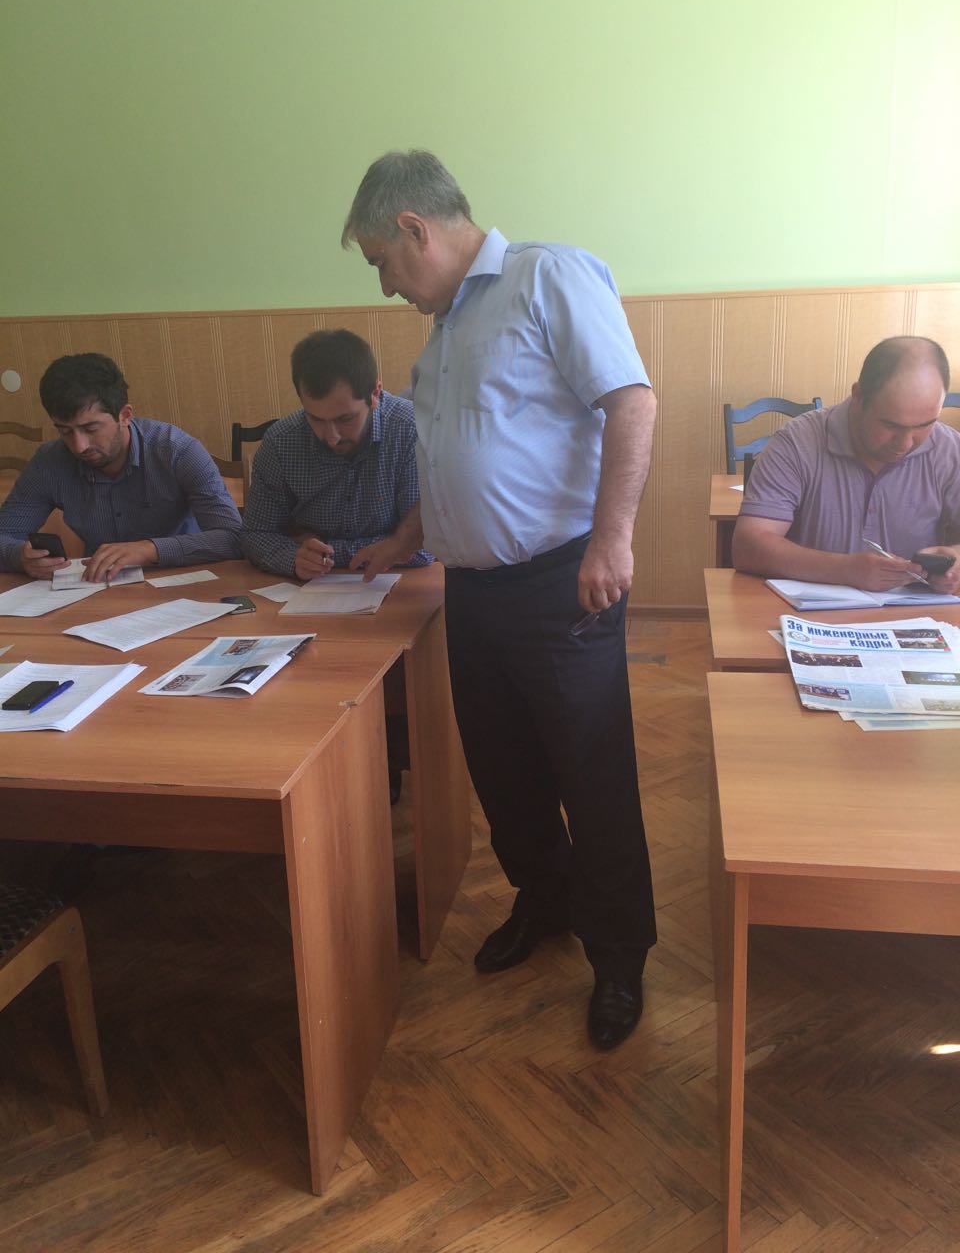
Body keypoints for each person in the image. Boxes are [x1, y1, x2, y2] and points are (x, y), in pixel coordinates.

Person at [341, 149, 658, 1050]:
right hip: (471, 593)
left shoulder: (546, 277)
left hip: (561, 583)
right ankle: (544, 901)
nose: (386, 284)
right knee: (504, 770)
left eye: (382, 262)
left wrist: (612, 539)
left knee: (591, 774)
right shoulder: (444, 330)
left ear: (415, 229)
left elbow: (632, 404)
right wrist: (408, 534)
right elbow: (449, 458)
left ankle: (619, 953)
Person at [733, 337, 960, 594]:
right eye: (890, 425)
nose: (906, 443)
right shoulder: (798, 442)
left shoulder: (950, 450)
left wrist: (955, 560)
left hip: (918, 614)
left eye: (924, 425)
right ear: (858, 396)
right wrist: (844, 569)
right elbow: (747, 547)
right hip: (809, 613)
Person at [0, 352, 242, 580]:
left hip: (181, 580)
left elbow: (233, 538)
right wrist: (20, 557)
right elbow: (4, 535)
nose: (79, 446)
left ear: (125, 415)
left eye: (91, 429)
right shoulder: (49, 462)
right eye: (65, 431)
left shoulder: (177, 450)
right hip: (98, 586)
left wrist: (150, 550)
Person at [240, 328, 431, 579]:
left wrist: (325, 550)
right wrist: (294, 559)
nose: (332, 437)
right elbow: (255, 535)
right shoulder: (280, 442)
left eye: (345, 419)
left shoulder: (410, 430)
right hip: (303, 589)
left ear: (375, 393)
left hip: (399, 585)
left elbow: (424, 546)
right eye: (315, 419)